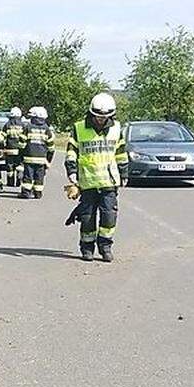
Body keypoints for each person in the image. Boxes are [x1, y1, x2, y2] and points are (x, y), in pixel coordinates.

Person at [65, 92, 128, 262]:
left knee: (109, 216)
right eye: (98, 116)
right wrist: (71, 172)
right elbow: (71, 152)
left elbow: (121, 153)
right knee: (87, 217)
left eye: (105, 117)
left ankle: (105, 246)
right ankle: (87, 247)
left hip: (109, 181)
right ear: (92, 113)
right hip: (87, 182)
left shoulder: (116, 129)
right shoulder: (79, 128)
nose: (101, 120)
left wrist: (124, 173)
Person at [20, 106, 55, 199]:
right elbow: (51, 147)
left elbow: (22, 144)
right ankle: (38, 193)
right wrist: (48, 159)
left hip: (29, 157)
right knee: (39, 177)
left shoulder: (28, 127)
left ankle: (26, 193)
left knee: (28, 176)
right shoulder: (47, 129)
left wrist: (21, 154)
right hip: (41, 159)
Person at [2, 107, 26, 188]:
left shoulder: (7, 125)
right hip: (20, 150)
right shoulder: (23, 125)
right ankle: (19, 180)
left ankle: (10, 182)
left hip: (9, 149)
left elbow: (2, 137)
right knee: (19, 166)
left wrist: (2, 146)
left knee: (10, 166)